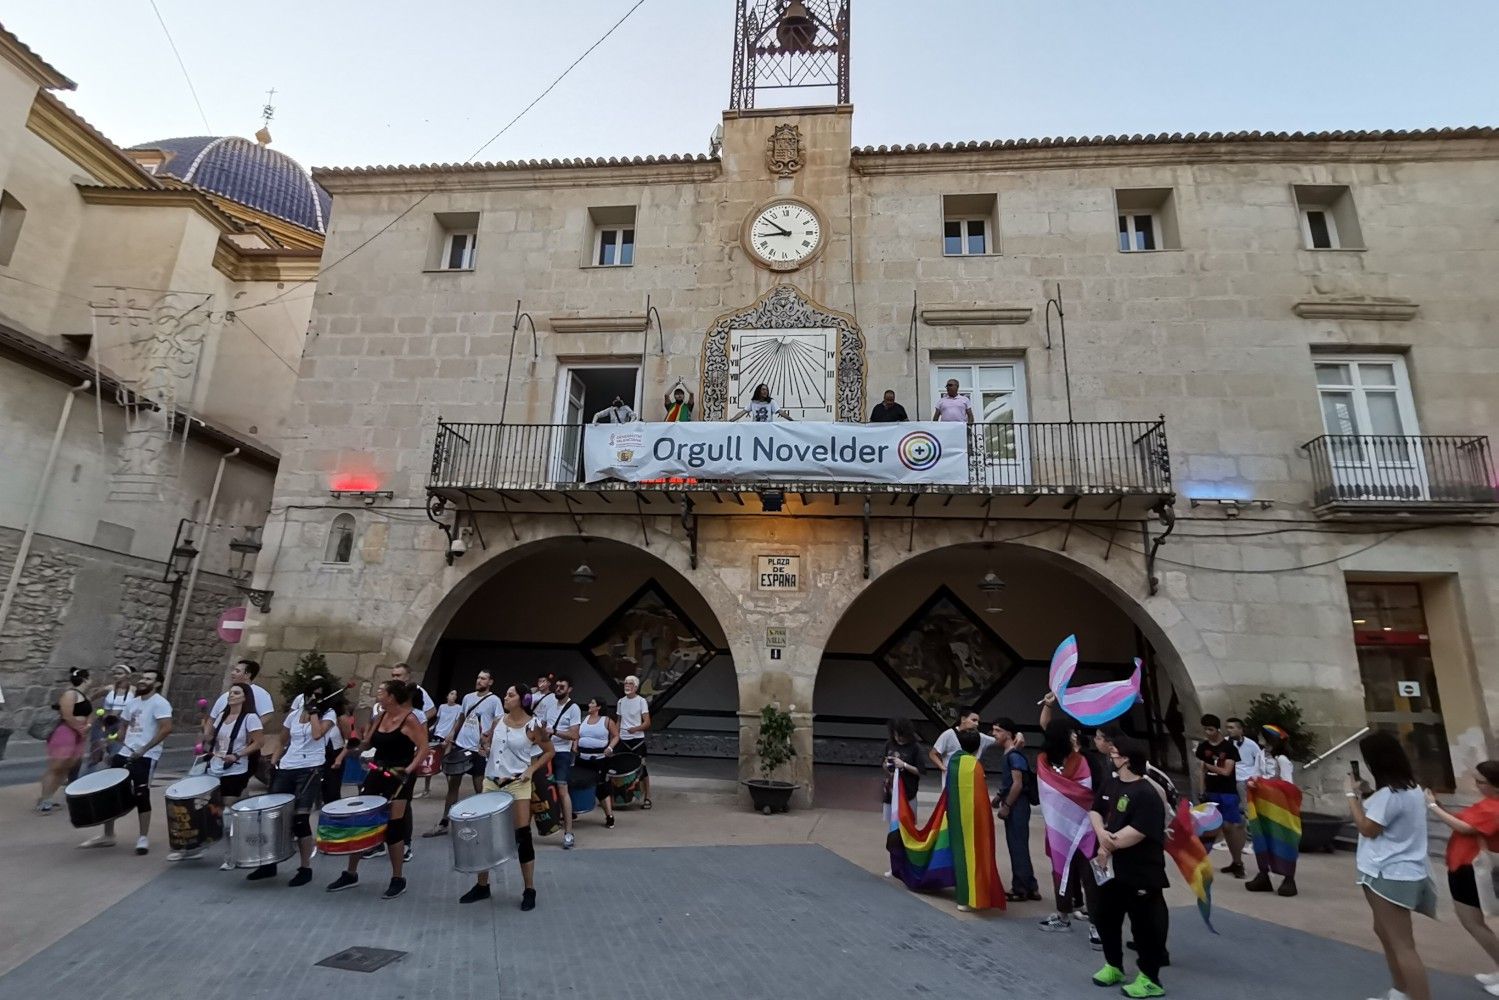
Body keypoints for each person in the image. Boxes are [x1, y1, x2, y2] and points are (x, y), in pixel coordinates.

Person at [1349, 731, 1436, 1000]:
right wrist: (1365, 793)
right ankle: (1400, 990)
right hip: (1392, 869)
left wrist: (1350, 796)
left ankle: (1415, 994)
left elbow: (1367, 828)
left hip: (1389, 873)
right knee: (1385, 933)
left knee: (1402, 945)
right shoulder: (1410, 789)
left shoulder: (1391, 794)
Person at [327, 680, 428, 899]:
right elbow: (367, 743)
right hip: (378, 771)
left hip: (399, 776)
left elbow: (424, 748)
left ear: (391, 697)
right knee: (361, 820)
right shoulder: (380, 716)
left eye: (381, 692)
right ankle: (350, 873)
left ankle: (397, 878)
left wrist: (409, 769)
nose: (378, 694)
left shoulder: (410, 719)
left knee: (394, 827)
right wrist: (352, 741)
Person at [1089, 737, 1171, 999]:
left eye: (1115, 752)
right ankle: (1113, 965)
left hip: (1140, 872)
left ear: (1126, 759)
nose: (1111, 755)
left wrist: (1107, 845)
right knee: (1105, 916)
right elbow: (1095, 810)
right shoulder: (1111, 783)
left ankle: (1150, 978)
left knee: (1145, 927)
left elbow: (1137, 832)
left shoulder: (1147, 793)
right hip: (1112, 870)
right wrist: (1101, 833)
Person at [460, 683, 552, 909]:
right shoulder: (498, 721)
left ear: (523, 700)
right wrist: (485, 747)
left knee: (522, 836)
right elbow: (490, 744)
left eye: (511, 695)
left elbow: (550, 751)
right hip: (492, 782)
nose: (506, 697)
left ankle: (529, 889)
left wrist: (531, 769)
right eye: (507, 694)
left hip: (517, 784)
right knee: (483, 834)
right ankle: (482, 885)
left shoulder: (533, 725)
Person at [79, 668, 173, 855]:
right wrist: (110, 743)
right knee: (110, 791)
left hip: (147, 755)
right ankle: (108, 835)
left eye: (149, 679)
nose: (143, 681)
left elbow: (166, 729)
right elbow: (123, 727)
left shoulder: (160, 703)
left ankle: (143, 837)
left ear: (157, 684)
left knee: (141, 794)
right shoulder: (133, 702)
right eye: (143, 678)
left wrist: (144, 749)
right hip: (124, 751)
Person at [1426, 761, 1499, 995]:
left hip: (1471, 867)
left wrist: (1433, 807)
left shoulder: (1494, 807)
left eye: (1481, 782)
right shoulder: (1487, 804)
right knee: (1473, 922)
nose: (1477, 785)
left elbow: (1465, 828)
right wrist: (1439, 806)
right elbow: (1462, 821)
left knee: (1473, 922)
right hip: (1462, 865)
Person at [1035, 717, 1102, 947]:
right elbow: (1045, 794)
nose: (1075, 736)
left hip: (1087, 829)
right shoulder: (1043, 762)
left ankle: (1097, 925)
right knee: (1060, 871)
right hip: (1058, 829)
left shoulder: (1087, 760)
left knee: (1090, 877)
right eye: (1070, 732)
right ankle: (1063, 915)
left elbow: (1097, 791)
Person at [260, 682, 335, 885]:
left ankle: (305, 867)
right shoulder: (293, 716)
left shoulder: (328, 715)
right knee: (274, 815)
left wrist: (314, 713)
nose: (314, 699)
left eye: (319, 695)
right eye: (311, 695)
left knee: (300, 818)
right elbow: (282, 739)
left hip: (310, 768)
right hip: (287, 766)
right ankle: (269, 863)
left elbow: (317, 734)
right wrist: (274, 761)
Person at [193, 681, 264, 866]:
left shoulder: (250, 718)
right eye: (231, 692)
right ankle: (200, 846)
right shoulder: (222, 716)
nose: (232, 695)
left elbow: (258, 743)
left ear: (245, 697)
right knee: (208, 808)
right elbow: (211, 738)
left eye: (236, 693)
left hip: (236, 769)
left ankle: (232, 854)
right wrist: (203, 733)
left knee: (228, 811)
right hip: (215, 766)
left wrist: (237, 755)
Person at [424, 670, 501, 837]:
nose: (479, 681)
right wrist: (452, 734)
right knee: (453, 785)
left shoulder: (494, 700)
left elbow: (498, 720)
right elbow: (461, 717)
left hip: (477, 749)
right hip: (461, 745)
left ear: (490, 682)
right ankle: (444, 822)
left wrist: (489, 737)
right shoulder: (468, 697)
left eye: (483, 678)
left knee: (480, 787)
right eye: (478, 677)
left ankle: (484, 823)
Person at [1244, 724, 1302, 897]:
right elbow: (1256, 773)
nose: (1259, 738)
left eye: (1262, 736)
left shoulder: (1282, 759)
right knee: (1261, 837)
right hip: (1262, 805)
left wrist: (1267, 785)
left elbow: (1288, 784)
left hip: (1279, 808)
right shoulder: (1260, 755)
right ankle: (1263, 874)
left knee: (1283, 838)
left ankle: (1289, 878)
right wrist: (1253, 782)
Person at [992, 717, 1041, 902]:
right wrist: (999, 797)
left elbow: (1017, 784)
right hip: (1016, 804)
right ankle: (1030, 886)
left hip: (1017, 806)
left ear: (1008, 733)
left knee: (1017, 846)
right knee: (1019, 845)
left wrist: (1006, 806)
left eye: (998, 731)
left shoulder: (1013, 756)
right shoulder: (1013, 754)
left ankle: (1020, 888)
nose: (994, 734)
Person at [1195, 714, 1246, 879]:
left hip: (1227, 792)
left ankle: (1237, 862)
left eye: (1210, 729)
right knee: (1208, 828)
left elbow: (1226, 771)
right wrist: (1201, 791)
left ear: (1217, 729)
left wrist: (1209, 765)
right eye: (1205, 729)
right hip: (1211, 792)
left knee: (1230, 827)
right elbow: (1201, 771)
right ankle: (1200, 862)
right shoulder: (1203, 747)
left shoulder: (1229, 748)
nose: (1208, 733)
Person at [35, 668, 91, 814]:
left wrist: (86, 728)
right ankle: (44, 800)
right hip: (66, 733)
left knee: (67, 767)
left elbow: (87, 714)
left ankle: (48, 798)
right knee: (56, 767)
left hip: (78, 735)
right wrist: (80, 729)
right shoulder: (70, 694)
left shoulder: (83, 695)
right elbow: (67, 715)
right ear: (85, 680)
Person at [537, 675, 581, 848]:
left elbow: (574, 734)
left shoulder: (574, 708)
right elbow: (543, 727)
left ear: (569, 689)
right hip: (546, 751)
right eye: (557, 686)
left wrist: (554, 731)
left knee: (562, 790)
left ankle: (569, 832)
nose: (558, 688)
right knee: (539, 788)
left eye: (562, 686)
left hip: (562, 753)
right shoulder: (550, 705)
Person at [576, 697, 618, 829]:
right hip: (582, 757)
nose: (589, 704)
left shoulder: (607, 721)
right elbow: (577, 735)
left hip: (599, 758)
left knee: (601, 787)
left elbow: (616, 736)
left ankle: (609, 815)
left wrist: (610, 748)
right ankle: (574, 810)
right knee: (578, 783)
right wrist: (575, 745)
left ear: (598, 707)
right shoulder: (584, 719)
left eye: (592, 703)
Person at [85, 665, 133, 774]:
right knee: (96, 752)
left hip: (121, 724)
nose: (116, 676)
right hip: (104, 722)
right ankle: (87, 776)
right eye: (115, 673)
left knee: (115, 753)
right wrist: (91, 715)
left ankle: (111, 777)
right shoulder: (109, 689)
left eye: (120, 673)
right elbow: (89, 699)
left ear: (128, 675)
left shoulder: (133, 691)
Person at [616, 675, 653, 809]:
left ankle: (647, 796)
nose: (627, 685)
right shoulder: (621, 702)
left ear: (636, 687)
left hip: (637, 740)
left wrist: (636, 729)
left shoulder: (641, 701)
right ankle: (622, 797)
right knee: (621, 768)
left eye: (630, 683)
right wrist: (615, 736)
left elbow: (647, 722)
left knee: (642, 769)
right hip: (623, 740)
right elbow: (619, 721)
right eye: (626, 683)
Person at [929, 707, 997, 773]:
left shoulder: (981, 737)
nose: (977, 724)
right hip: (952, 777)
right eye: (973, 720)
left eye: (978, 721)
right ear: (963, 719)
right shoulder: (949, 734)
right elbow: (933, 754)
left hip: (972, 777)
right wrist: (944, 768)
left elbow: (998, 741)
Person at [423, 691, 462, 797]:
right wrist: (432, 727)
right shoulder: (442, 707)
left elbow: (456, 722)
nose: (454, 696)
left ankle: (451, 791)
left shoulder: (458, 708)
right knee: (430, 762)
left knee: (445, 763)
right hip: (437, 734)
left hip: (447, 736)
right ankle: (426, 789)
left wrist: (451, 735)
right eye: (452, 693)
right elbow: (438, 720)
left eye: (455, 694)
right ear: (447, 696)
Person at [209, 659, 275, 718]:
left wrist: (252, 727)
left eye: (237, 671)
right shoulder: (224, 696)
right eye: (233, 670)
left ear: (247, 675)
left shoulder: (259, 693)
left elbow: (267, 715)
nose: (232, 673)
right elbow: (212, 718)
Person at [1226, 716, 1263, 812]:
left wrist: (1256, 776)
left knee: (1248, 805)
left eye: (1231, 727)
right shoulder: (1224, 742)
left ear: (1240, 729)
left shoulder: (1251, 744)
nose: (1228, 730)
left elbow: (1260, 760)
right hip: (1231, 778)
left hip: (1247, 778)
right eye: (1227, 727)